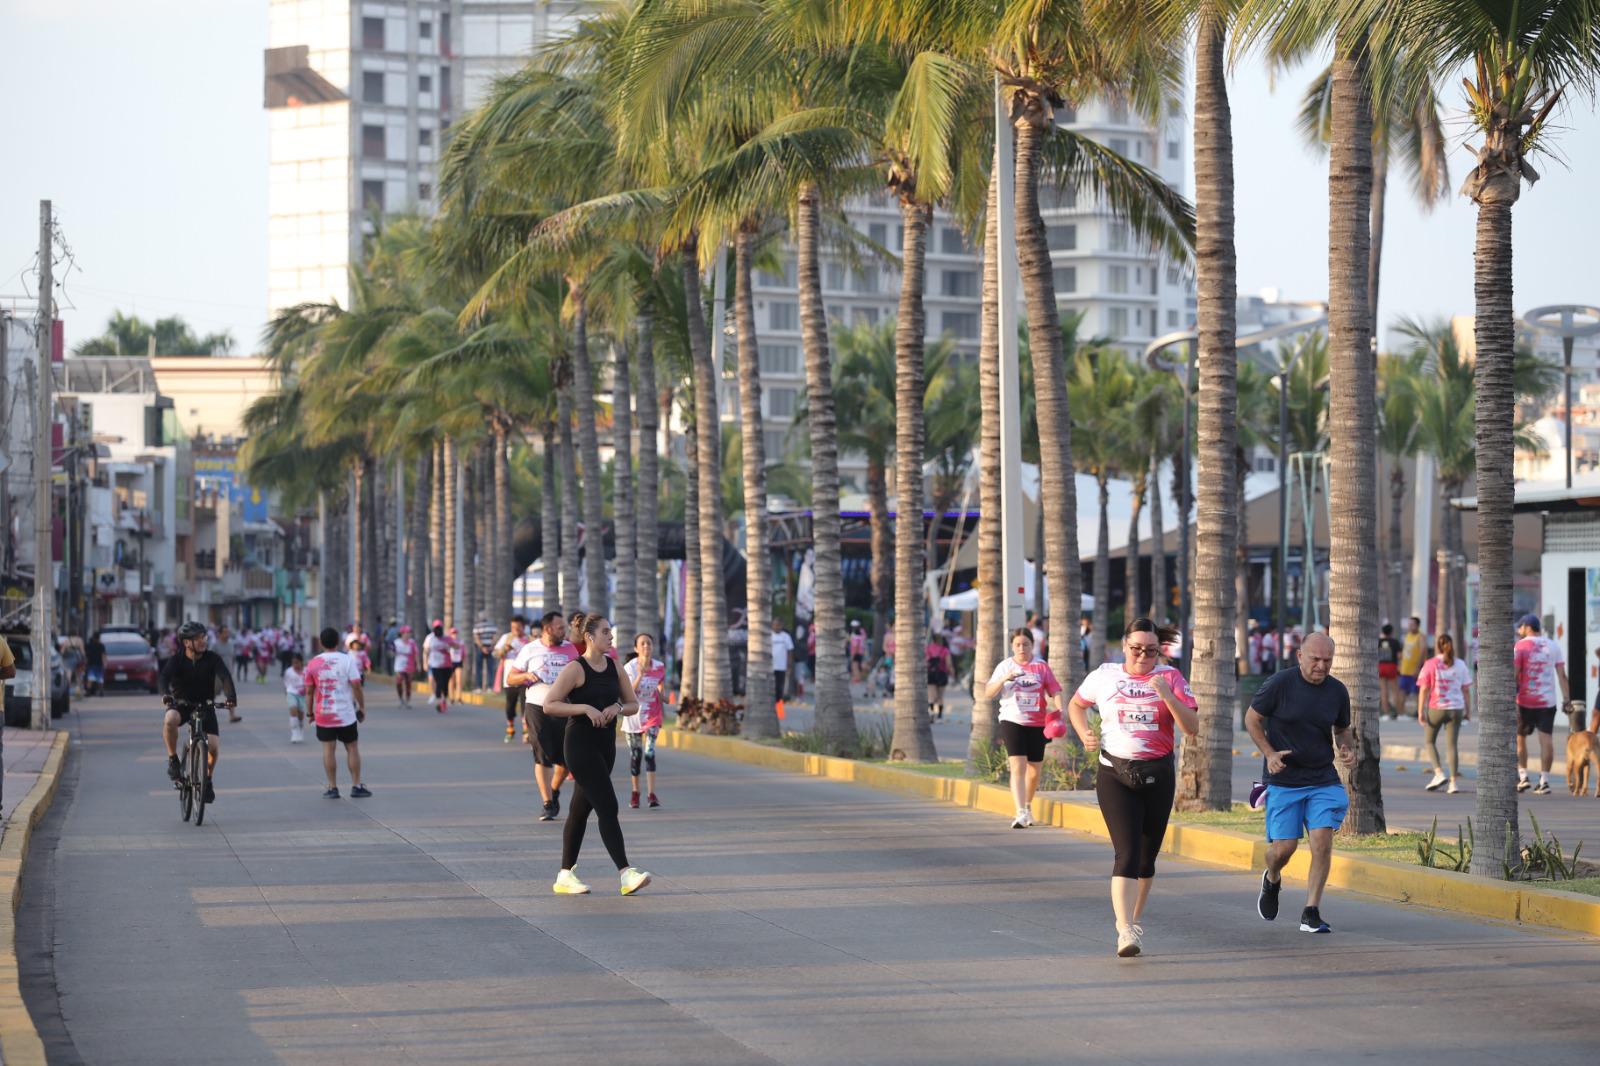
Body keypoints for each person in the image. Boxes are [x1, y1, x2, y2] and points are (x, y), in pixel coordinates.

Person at [1067, 618, 1199, 958]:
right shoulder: (1104, 675)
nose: (1143, 656)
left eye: (1151, 650)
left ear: (1159, 651)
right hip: (1115, 772)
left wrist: (1168, 695)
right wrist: (1084, 734)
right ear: (1124, 646)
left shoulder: (1171, 677)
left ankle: (1135, 922)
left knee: (1146, 860)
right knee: (1125, 853)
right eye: (1136, 648)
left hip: (1158, 773)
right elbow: (1076, 705)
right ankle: (1124, 929)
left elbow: (1192, 726)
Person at [1246, 632, 1356, 935]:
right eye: (1315, 659)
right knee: (1283, 849)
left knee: (1321, 841)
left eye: (1327, 660)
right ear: (1300, 657)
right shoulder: (1279, 684)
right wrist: (1268, 753)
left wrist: (1347, 749)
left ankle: (1311, 911)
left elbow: (1342, 729)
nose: (1321, 666)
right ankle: (1272, 878)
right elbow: (1252, 719)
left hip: (1322, 777)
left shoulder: (1337, 691)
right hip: (1284, 780)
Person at [540, 615, 652, 896]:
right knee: (608, 805)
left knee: (580, 810)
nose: (611, 637)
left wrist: (617, 707)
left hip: (606, 746)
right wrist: (584, 709)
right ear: (589, 637)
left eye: (611, 632)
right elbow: (549, 705)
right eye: (605, 632)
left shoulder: (615, 667)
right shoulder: (576, 669)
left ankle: (565, 875)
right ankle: (626, 873)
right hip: (579, 744)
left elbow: (632, 704)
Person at [984, 627, 1063, 829]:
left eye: (1025, 644)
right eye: (1017, 644)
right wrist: (1004, 679)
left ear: (1032, 645)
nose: (1021, 648)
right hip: (1012, 721)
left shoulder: (1041, 667)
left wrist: (1060, 713)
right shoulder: (1005, 666)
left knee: (1034, 770)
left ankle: (1027, 806)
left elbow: (1054, 690)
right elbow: (988, 693)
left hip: (1037, 723)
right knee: (1018, 766)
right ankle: (1019, 812)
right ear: (1012, 646)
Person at [507, 611, 577, 821]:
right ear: (548, 629)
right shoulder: (530, 649)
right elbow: (511, 677)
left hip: (564, 708)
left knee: (567, 759)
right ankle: (547, 803)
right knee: (542, 755)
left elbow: (581, 675)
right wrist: (526, 676)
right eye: (560, 628)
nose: (564, 631)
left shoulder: (570, 649)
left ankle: (554, 790)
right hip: (537, 706)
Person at [159, 620, 238, 804]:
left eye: (204, 637)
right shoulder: (177, 659)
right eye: (198, 638)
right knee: (170, 718)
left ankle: (207, 778)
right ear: (187, 642)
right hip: (182, 705)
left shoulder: (212, 658)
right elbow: (164, 677)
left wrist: (231, 697)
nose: (203, 641)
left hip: (205, 706)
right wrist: (166, 695)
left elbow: (225, 676)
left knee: (213, 747)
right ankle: (173, 760)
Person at [305, 627, 370, 799]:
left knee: (328, 749)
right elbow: (356, 685)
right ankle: (356, 785)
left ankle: (332, 787)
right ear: (339, 642)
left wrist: (309, 713)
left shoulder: (313, 663)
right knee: (352, 747)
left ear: (321, 642)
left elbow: (309, 691)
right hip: (346, 715)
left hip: (323, 714)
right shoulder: (347, 660)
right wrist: (362, 707)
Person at [1514, 613, 1568, 795]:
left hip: (1524, 701)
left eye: (1520, 627)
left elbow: (1515, 673)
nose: (1519, 631)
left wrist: (1511, 698)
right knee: (1546, 740)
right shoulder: (1553, 645)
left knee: (1520, 739)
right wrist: (1566, 699)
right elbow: (1562, 675)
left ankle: (1523, 777)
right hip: (1547, 702)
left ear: (1527, 627)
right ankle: (1544, 781)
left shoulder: (1520, 645)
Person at [1416, 633, 1472, 793]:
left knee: (1429, 741)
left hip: (1437, 708)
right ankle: (1453, 783)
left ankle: (1439, 772)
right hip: (1456, 709)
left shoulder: (1430, 663)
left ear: (1437, 646)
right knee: (1452, 745)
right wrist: (1468, 710)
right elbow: (1466, 690)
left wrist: (1421, 711)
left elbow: (1424, 689)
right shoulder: (1460, 664)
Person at [623, 633, 668, 809]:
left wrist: (663, 696)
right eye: (642, 644)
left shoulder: (659, 666)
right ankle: (635, 792)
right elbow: (628, 693)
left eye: (649, 643)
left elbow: (661, 689)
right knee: (636, 755)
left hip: (652, 715)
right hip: (634, 716)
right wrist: (640, 676)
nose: (646, 647)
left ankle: (651, 794)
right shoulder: (630, 667)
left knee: (649, 753)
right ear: (636, 648)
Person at [494, 615, 531, 742]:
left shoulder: (529, 639)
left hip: (525, 678)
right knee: (510, 706)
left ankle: (526, 731)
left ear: (523, 627)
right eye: (513, 627)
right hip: (509, 679)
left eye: (518, 627)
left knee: (525, 705)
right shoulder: (506, 638)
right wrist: (505, 649)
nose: (516, 630)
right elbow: (495, 653)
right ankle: (510, 728)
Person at [1397, 616, 1426, 716]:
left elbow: (1422, 652)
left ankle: (1419, 713)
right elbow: (1404, 652)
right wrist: (1400, 664)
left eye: (1412, 624)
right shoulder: (1407, 635)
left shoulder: (1421, 637)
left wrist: (1418, 668)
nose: (1410, 626)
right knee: (1402, 691)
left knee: (1417, 692)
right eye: (1409, 624)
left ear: (1417, 626)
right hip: (1405, 669)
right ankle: (1401, 713)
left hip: (1415, 670)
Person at [424, 621, 453, 713]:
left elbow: (456, 646)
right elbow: (426, 651)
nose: (438, 629)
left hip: (447, 665)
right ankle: (439, 701)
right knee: (439, 682)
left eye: (439, 627)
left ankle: (443, 700)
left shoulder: (446, 638)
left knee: (445, 684)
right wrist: (425, 662)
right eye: (436, 627)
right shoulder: (430, 638)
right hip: (435, 665)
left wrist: (451, 645)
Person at [1377, 623, 1403, 720]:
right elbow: (1400, 656)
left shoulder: (1378, 642)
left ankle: (1386, 714)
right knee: (1395, 690)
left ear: (1383, 631)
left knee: (1384, 691)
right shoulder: (1395, 642)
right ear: (1391, 632)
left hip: (1381, 666)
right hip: (1391, 666)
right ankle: (1399, 713)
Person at [926, 633, 953, 720]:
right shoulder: (945, 650)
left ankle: (931, 712)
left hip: (931, 674)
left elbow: (926, 662)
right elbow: (948, 664)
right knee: (940, 696)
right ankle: (940, 715)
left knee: (931, 695)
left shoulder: (928, 648)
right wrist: (952, 672)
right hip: (942, 674)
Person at [284, 652, 307, 743]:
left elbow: (311, 683)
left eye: (297, 662)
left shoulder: (306, 671)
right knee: (293, 710)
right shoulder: (289, 671)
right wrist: (287, 695)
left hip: (302, 695)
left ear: (301, 662)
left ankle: (300, 728)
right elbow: (285, 684)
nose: (295, 665)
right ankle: (294, 732)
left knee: (300, 714)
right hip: (291, 693)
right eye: (293, 663)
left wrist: (306, 689)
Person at [472, 614, 499, 691]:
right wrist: (490, 647)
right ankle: (490, 687)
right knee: (490, 668)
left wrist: (482, 648)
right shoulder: (492, 625)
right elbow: (495, 637)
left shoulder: (477, 626)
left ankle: (478, 687)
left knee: (479, 669)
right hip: (490, 648)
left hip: (480, 648)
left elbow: (476, 638)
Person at [392, 625, 417, 707]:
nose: (408, 634)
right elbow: (391, 653)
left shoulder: (412, 642)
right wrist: (392, 652)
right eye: (407, 632)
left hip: (409, 665)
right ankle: (401, 699)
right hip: (399, 665)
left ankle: (408, 701)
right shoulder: (396, 642)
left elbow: (416, 654)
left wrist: (418, 664)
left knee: (408, 683)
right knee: (399, 681)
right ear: (402, 633)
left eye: (409, 633)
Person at [770, 618, 794, 704]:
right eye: (775, 625)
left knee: (779, 688)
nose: (777, 627)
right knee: (770, 688)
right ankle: (770, 709)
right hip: (770, 666)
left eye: (778, 625)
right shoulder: (769, 635)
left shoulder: (786, 636)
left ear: (782, 626)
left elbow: (790, 651)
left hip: (781, 667)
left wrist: (789, 664)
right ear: (772, 625)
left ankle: (780, 712)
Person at [446, 625, 466, 700]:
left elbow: (464, 652)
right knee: (451, 681)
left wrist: (463, 659)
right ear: (450, 634)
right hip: (450, 663)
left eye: (455, 633)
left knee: (459, 680)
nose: (454, 634)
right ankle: (451, 697)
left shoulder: (460, 641)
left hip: (458, 662)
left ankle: (459, 697)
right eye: (453, 633)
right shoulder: (448, 642)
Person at [84, 632, 105, 696]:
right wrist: (104, 664)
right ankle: (101, 691)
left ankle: (88, 691)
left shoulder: (89, 645)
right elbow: (103, 655)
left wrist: (85, 663)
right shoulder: (101, 645)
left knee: (90, 678)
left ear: (93, 637)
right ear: (99, 638)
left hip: (91, 663)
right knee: (100, 678)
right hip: (99, 664)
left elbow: (86, 656)